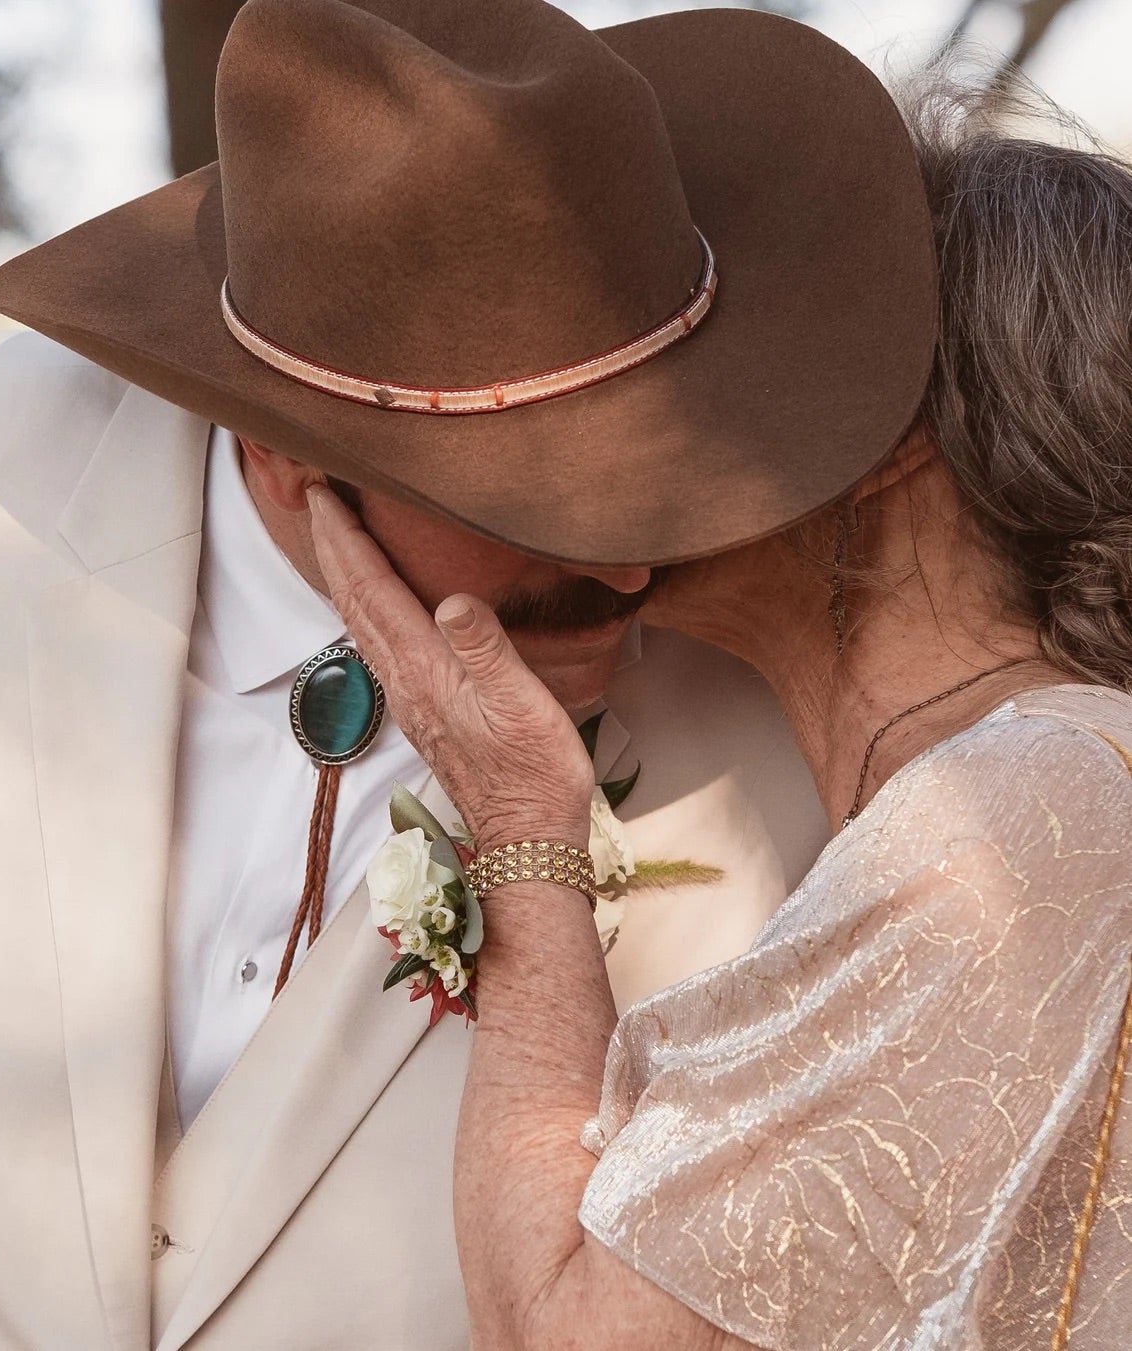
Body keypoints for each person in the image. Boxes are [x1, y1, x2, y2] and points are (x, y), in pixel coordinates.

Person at [0, 1, 932, 1346]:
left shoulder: (779, 717)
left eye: (650, 465)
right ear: (285, 444)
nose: (632, 570)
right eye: (538, 497)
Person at [306, 71, 1132, 1351]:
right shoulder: (1051, 784)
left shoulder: (1021, 813)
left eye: (749, 369)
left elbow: (564, 1332)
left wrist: (522, 827)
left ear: (898, 429)